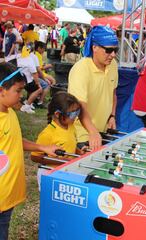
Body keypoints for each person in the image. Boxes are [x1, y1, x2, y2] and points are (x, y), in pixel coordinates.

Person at [0, 62, 59, 240]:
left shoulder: (9, 112)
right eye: (18, 91)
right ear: (2, 90)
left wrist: (43, 147)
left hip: (7, 197)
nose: (22, 95)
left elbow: (15, 141)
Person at [68, 26, 118, 150]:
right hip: (83, 133)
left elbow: (113, 93)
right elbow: (79, 105)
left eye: (115, 50)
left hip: (102, 130)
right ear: (94, 47)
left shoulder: (113, 65)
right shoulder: (81, 69)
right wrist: (92, 131)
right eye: (108, 50)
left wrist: (112, 116)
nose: (113, 55)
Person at [31, 92, 83, 189]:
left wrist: (79, 152)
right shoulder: (48, 134)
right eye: (72, 113)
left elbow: (69, 143)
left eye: (77, 112)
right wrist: (60, 161)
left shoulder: (71, 126)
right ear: (58, 114)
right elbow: (35, 157)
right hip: (50, 174)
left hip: (67, 171)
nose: (76, 116)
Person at [17, 44, 43, 114]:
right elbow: (34, 73)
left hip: (20, 80)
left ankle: (28, 102)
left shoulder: (18, 57)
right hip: (27, 81)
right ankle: (27, 106)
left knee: (32, 88)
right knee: (39, 89)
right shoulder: (29, 59)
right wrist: (38, 84)